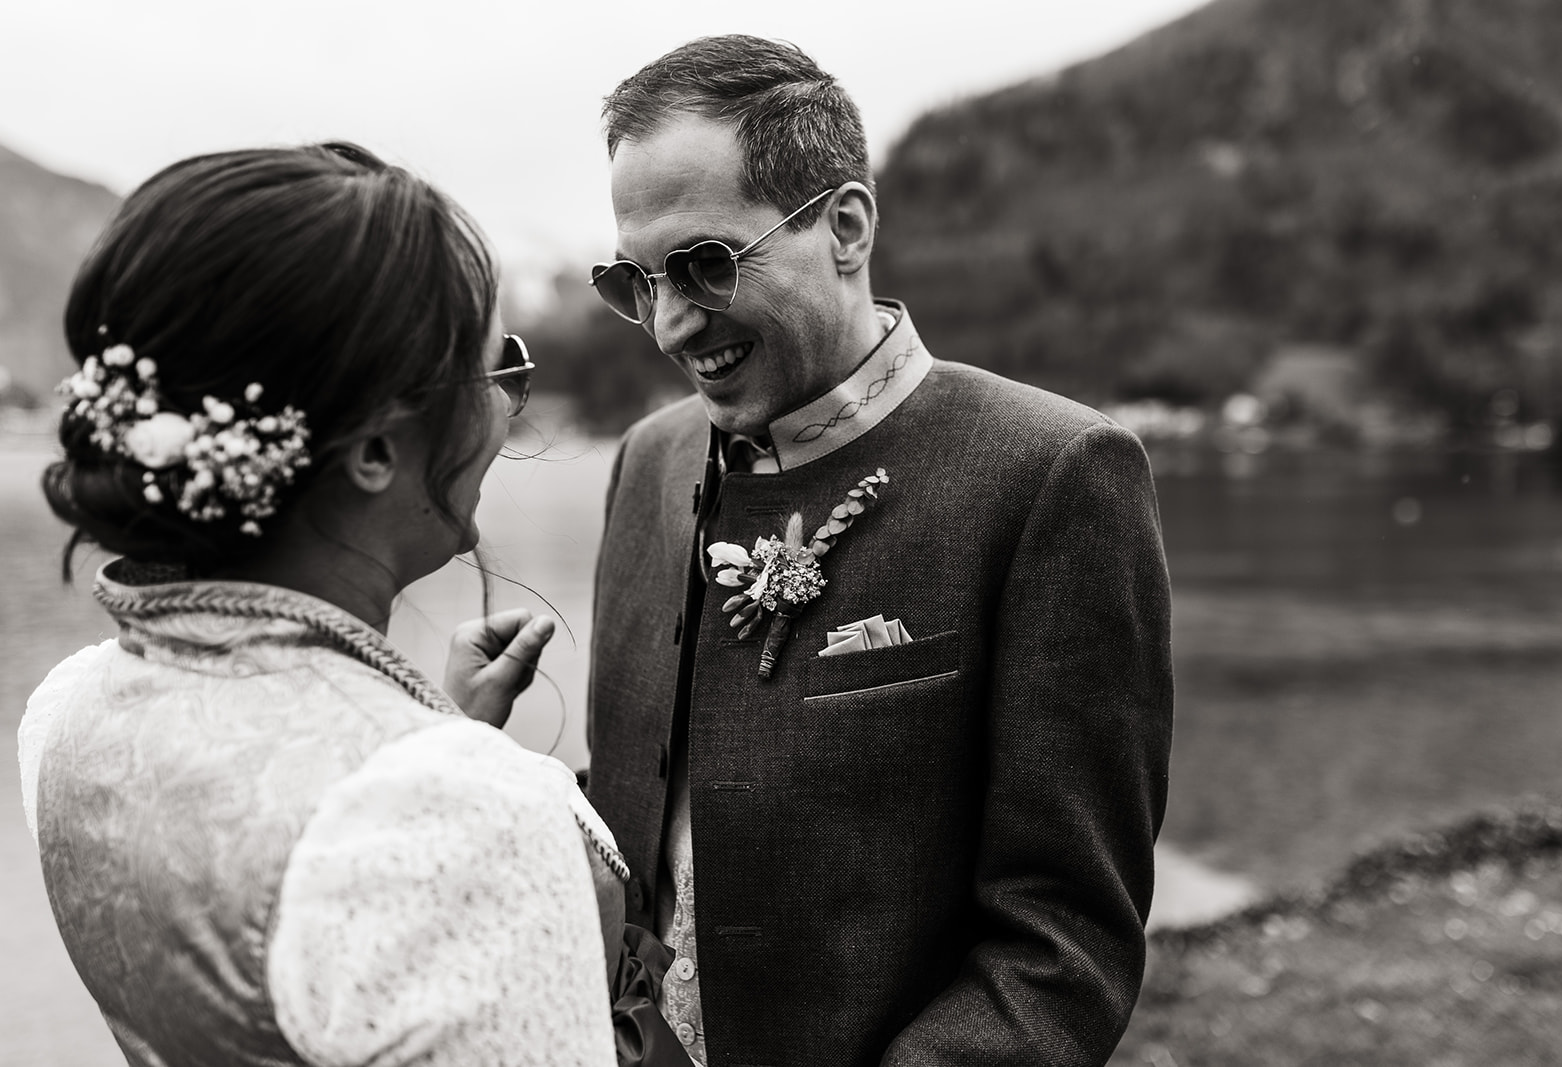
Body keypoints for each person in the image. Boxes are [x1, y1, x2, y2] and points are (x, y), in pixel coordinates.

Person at [584, 36, 1174, 1067]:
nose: (672, 324)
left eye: (706, 264)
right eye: (633, 278)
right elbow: (634, 817)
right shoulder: (646, 460)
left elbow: (1062, 936)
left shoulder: (1054, 473)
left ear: (845, 227)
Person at [16, 143, 664, 1067]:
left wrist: (426, 729)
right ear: (373, 448)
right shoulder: (453, 823)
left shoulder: (65, 713)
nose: (506, 411)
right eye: (496, 370)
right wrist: (432, 767)